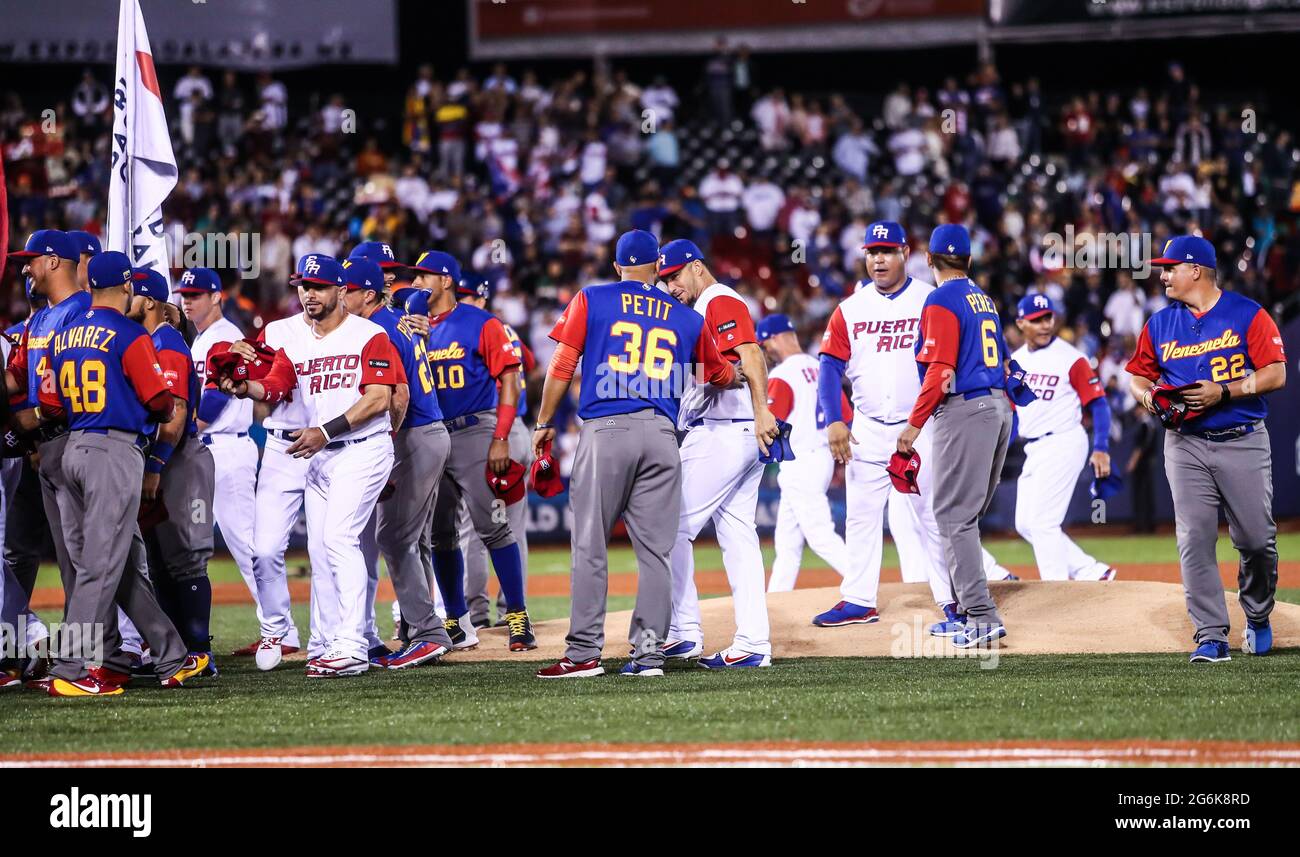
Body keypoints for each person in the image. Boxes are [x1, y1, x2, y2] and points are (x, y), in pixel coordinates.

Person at [534, 230, 740, 678]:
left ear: (617, 267)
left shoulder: (593, 299)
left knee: (590, 545)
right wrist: (738, 372)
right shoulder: (686, 318)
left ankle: (584, 653)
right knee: (655, 553)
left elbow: (563, 365)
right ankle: (648, 655)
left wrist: (544, 422)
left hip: (606, 431)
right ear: (657, 267)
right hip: (663, 437)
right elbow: (718, 373)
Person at [817, 222, 1009, 635]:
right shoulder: (851, 307)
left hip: (923, 425)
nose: (878, 259)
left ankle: (952, 600)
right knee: (862, 516)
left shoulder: (931, 296)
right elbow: (830, 364)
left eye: (887, 251)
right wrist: (835, 417)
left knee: (936, 516)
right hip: (866, 425)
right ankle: (858, 599)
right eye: (872, 252)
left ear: (908, 253)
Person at [220, 254, 400, 678]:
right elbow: (277, 385)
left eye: (318, 286)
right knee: (321, 549)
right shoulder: (296, 338)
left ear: (341, 290)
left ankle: (353, 643)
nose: (309, 293)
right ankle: (329, 641)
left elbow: (380, 398)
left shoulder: (369, 334)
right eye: (303, 285)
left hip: (361, 445)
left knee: (337, 539)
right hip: (317, 451)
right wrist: (243, 384)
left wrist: (326, 430)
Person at [38, 251, 208, 696]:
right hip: (113, 452)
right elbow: (161, 403)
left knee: (121, 564)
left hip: (71, 447)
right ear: (127, 286)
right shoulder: (130, 334)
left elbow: (50, 404)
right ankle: (71, 669)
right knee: (100, 564)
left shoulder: (62, 333)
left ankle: (169, 657)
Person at [1126, 236, 1286, 663]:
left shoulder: (1247, 314)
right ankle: (1210, 634)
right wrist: (1149, 399)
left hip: (1243, 439)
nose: (1162, 275)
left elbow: (1276, 372)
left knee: (1256, 541)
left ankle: (1257, 614)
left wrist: (1226, 392)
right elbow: (1137, 377)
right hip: (1185, 444)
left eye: (1169, 267)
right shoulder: (1160, 324)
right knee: (1194, 539)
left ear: (1195, 270)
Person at [658, 238, 781, 669]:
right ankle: (753, 643)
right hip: (736, 432)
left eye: (674, 276)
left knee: (669, 526)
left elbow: (751, 354)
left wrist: (764, 411)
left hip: (726, 433)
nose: (670, 285)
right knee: (738, 539)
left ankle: (684, 631)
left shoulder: (718, 299)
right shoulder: (703, 306)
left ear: (695, 267)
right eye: (664, 279)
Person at [409, 249, 535, 652]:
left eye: (423, 276)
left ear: (445, 280)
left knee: (494, 526)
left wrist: (500, 437)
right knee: (441, 535)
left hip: (475, 433)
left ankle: (517, 615)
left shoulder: (482, 323)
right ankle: (459, 620)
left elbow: (511, 378)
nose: (415, 283)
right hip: (432, 435)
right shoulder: (412, 326)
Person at [895, 224, 1013, 649]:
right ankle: (967, 610)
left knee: (951, 516)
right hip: (998, 406)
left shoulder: (940, 298)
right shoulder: (984, 298)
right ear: (969, 259)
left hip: (967, 409)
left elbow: (941, 371)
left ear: (927, 259)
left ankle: (980, 616)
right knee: (965, 514)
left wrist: (914, 424)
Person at [340, 256, 457, 669]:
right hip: (431, 431)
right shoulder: (396, 319)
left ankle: (427, 631)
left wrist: (384, 452)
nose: (340, 297)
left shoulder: (379, 327)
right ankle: (416, 629)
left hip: (413, 434)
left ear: (367, 294)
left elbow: (398, 397)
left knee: (394, 538)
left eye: (346, 291)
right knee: (414, 539)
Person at [128, 268, 217, 668]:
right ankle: (179, 652)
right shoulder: (148, 341)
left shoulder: (167, 344)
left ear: (148, 301)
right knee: (160, 558)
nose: (121, 298)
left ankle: (200, 650)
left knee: (185, 556)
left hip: (178, 459)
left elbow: (176, 417)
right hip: (159, 459)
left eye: (129, 292)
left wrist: (155, 466)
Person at [177, 267, 266, 657]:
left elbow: (216, 396)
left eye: (197, 294)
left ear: (217, 297)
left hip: (226, 448)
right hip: (209, 448)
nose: (188, 299)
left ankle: (278, 629)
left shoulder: (227, 337)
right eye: (185, 293)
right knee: (187, 545)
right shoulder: (201, 340)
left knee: (245, 543)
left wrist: (189, 427)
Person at [1009, 294, 1118, 581]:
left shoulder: (1072, 358)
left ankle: (1055, 592)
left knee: (1044, 523)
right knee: (1025, 523)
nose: (1045, 325)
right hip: (1033, 447)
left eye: (1048, 318)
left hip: (1064, 439)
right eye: (1036, 320)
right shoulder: (1015, 362)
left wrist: (1101, 447)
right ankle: (1092, 571)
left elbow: (1098, 404)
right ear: (1021, 323)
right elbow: (1011, 415)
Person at [455, 270, 534, 629]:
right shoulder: (506, 330)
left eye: (466, 297)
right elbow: (528, 366)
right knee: (510, 527)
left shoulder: (472, 328)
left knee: (475, 530)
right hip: (512, 430)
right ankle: (507, 610)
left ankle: (481, 614)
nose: (463, 302)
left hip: (494, 432)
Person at [757, 314, 852, 591]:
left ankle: (863, 585)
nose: (766, 352)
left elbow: (771, 423)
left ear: (774, 338)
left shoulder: (783, 374)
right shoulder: (820, 366)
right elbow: (844, 417)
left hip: (801, 461)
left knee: (820, 535)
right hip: (820, 456)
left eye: (765, 345)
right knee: (787, 541)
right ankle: (776, 598)